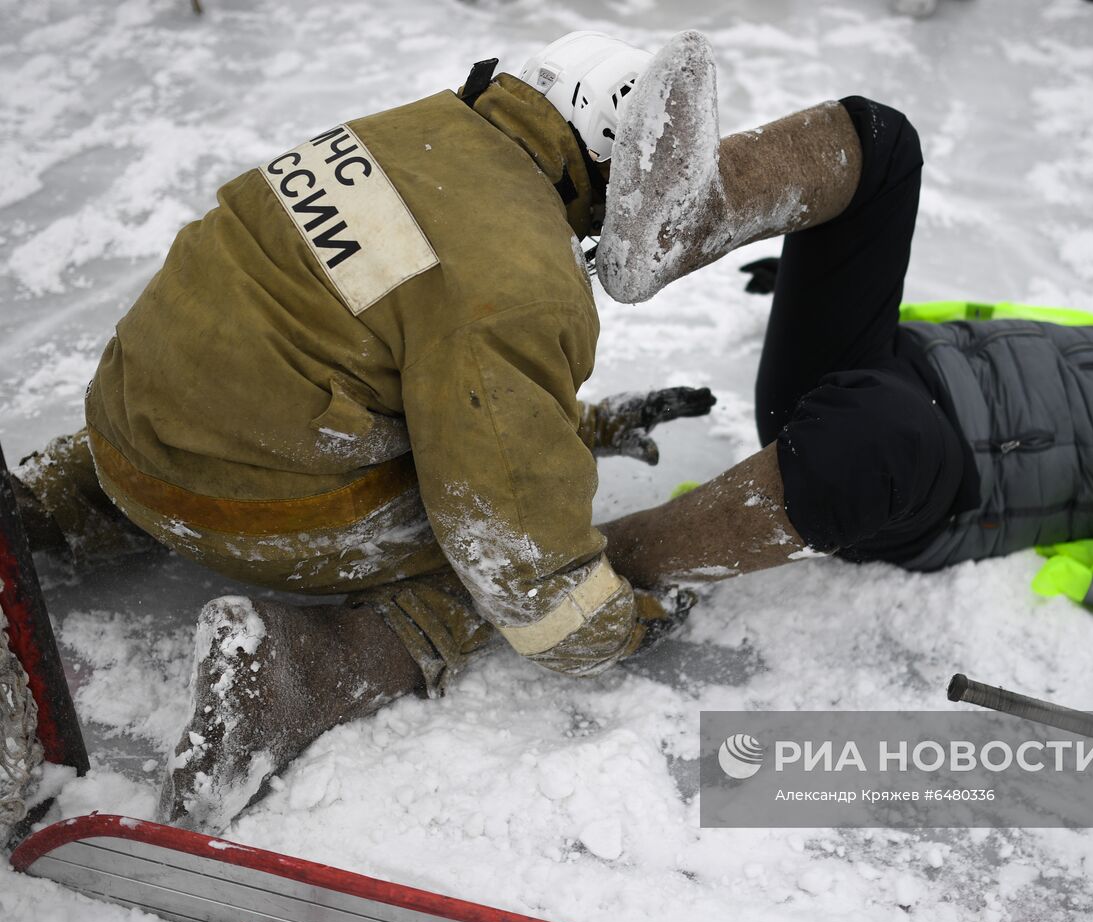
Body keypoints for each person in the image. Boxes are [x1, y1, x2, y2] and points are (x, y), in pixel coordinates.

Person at [4, 29, 882, 831]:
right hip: (238, 498)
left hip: (125, 424)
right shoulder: (525, 274)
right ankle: (295, 673)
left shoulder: (419, 130)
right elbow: (509, 535)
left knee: (272, 362)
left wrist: (577, 423)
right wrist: (604, 624)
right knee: (480, 562)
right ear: (608, 157)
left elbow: (403, 327)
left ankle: (49, 511)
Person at [593, 35, 1093, 812]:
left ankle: (609, 563)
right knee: (882, 141)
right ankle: (679, 221)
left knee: (884, 436)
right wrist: (825, 276)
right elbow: (975, 335)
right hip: (869, 372)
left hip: (924, 477)